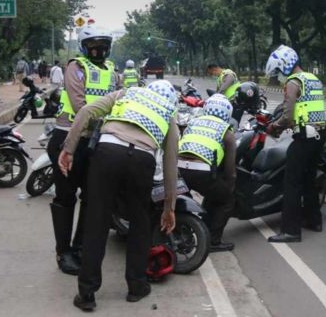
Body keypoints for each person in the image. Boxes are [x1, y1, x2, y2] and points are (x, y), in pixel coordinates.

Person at [58, 80, 179, 311]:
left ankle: (87, 294)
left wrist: (68, 149)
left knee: (97, 221)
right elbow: (170, 162)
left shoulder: (127, 93)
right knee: (140, 223)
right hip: (142, 161)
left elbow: (85, 111)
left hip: (107, 153)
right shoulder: (169, 114)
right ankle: (136, 286)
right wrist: (168, 207)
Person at [47, 24, 117, 276]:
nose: (98, 51)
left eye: (103, 46)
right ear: (84, 48)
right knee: (65, 198)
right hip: (68, 138)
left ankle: (79, 248)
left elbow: (120, 100)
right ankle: (63, 252)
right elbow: (79, 105)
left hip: (96, 140)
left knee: (91, 197)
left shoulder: (112, 71)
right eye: (93, 46)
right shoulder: (75, 67)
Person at [264, 45, 326, 243]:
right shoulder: (312, 78)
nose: (278, 76)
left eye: (278, 71)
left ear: (284, 65)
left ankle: (290, 231)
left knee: (291, 182)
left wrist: (275, 126)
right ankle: (313, 220)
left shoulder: (293, 82)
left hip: (305, 136)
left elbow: (288, 114)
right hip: (319, 134)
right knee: (309, 179)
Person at [178, 94, 237, 252]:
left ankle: (183, 232)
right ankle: (214, 241)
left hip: (178, 170)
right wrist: (229, 187)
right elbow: (230, 171)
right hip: (202, 173)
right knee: (226, 200)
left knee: (182, 196)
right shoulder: (226, 131)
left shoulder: (193, 122)